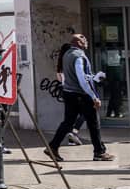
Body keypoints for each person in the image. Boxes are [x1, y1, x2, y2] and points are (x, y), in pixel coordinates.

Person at [45, 34, 115, 162]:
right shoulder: (79, 56)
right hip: (81, 95)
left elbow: (79, 76)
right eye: (83, 38)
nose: (86, 40)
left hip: (69, 93)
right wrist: (94, 96)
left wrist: (93, 77)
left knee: (68, 122)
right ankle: (99, 152)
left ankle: (53, 146)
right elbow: (81, 79)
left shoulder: (66, 55)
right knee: (94, 123)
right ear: (78, 42)